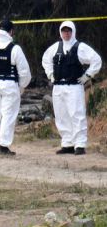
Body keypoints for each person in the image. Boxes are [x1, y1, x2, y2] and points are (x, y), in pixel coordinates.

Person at [41, 20, 102, 155]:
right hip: (58, 87)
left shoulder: (80, 47)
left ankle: (79, 144)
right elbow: (45, 60)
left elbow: (96, 60)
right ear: (60, 32)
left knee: (77, 114)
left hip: (74, 86)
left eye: (69, 31)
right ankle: (67, 143)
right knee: (61, 115)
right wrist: (51, 74)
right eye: (64, 31)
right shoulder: (55, 47)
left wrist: (87, 75)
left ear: (73, 31)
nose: (66, 33)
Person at [0, 19, 32, 155]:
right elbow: (25, 72)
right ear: (11, 32)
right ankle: (3, 146)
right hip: (10, 85)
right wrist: (21, 86)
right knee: (8, 115)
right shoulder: (15, 48)